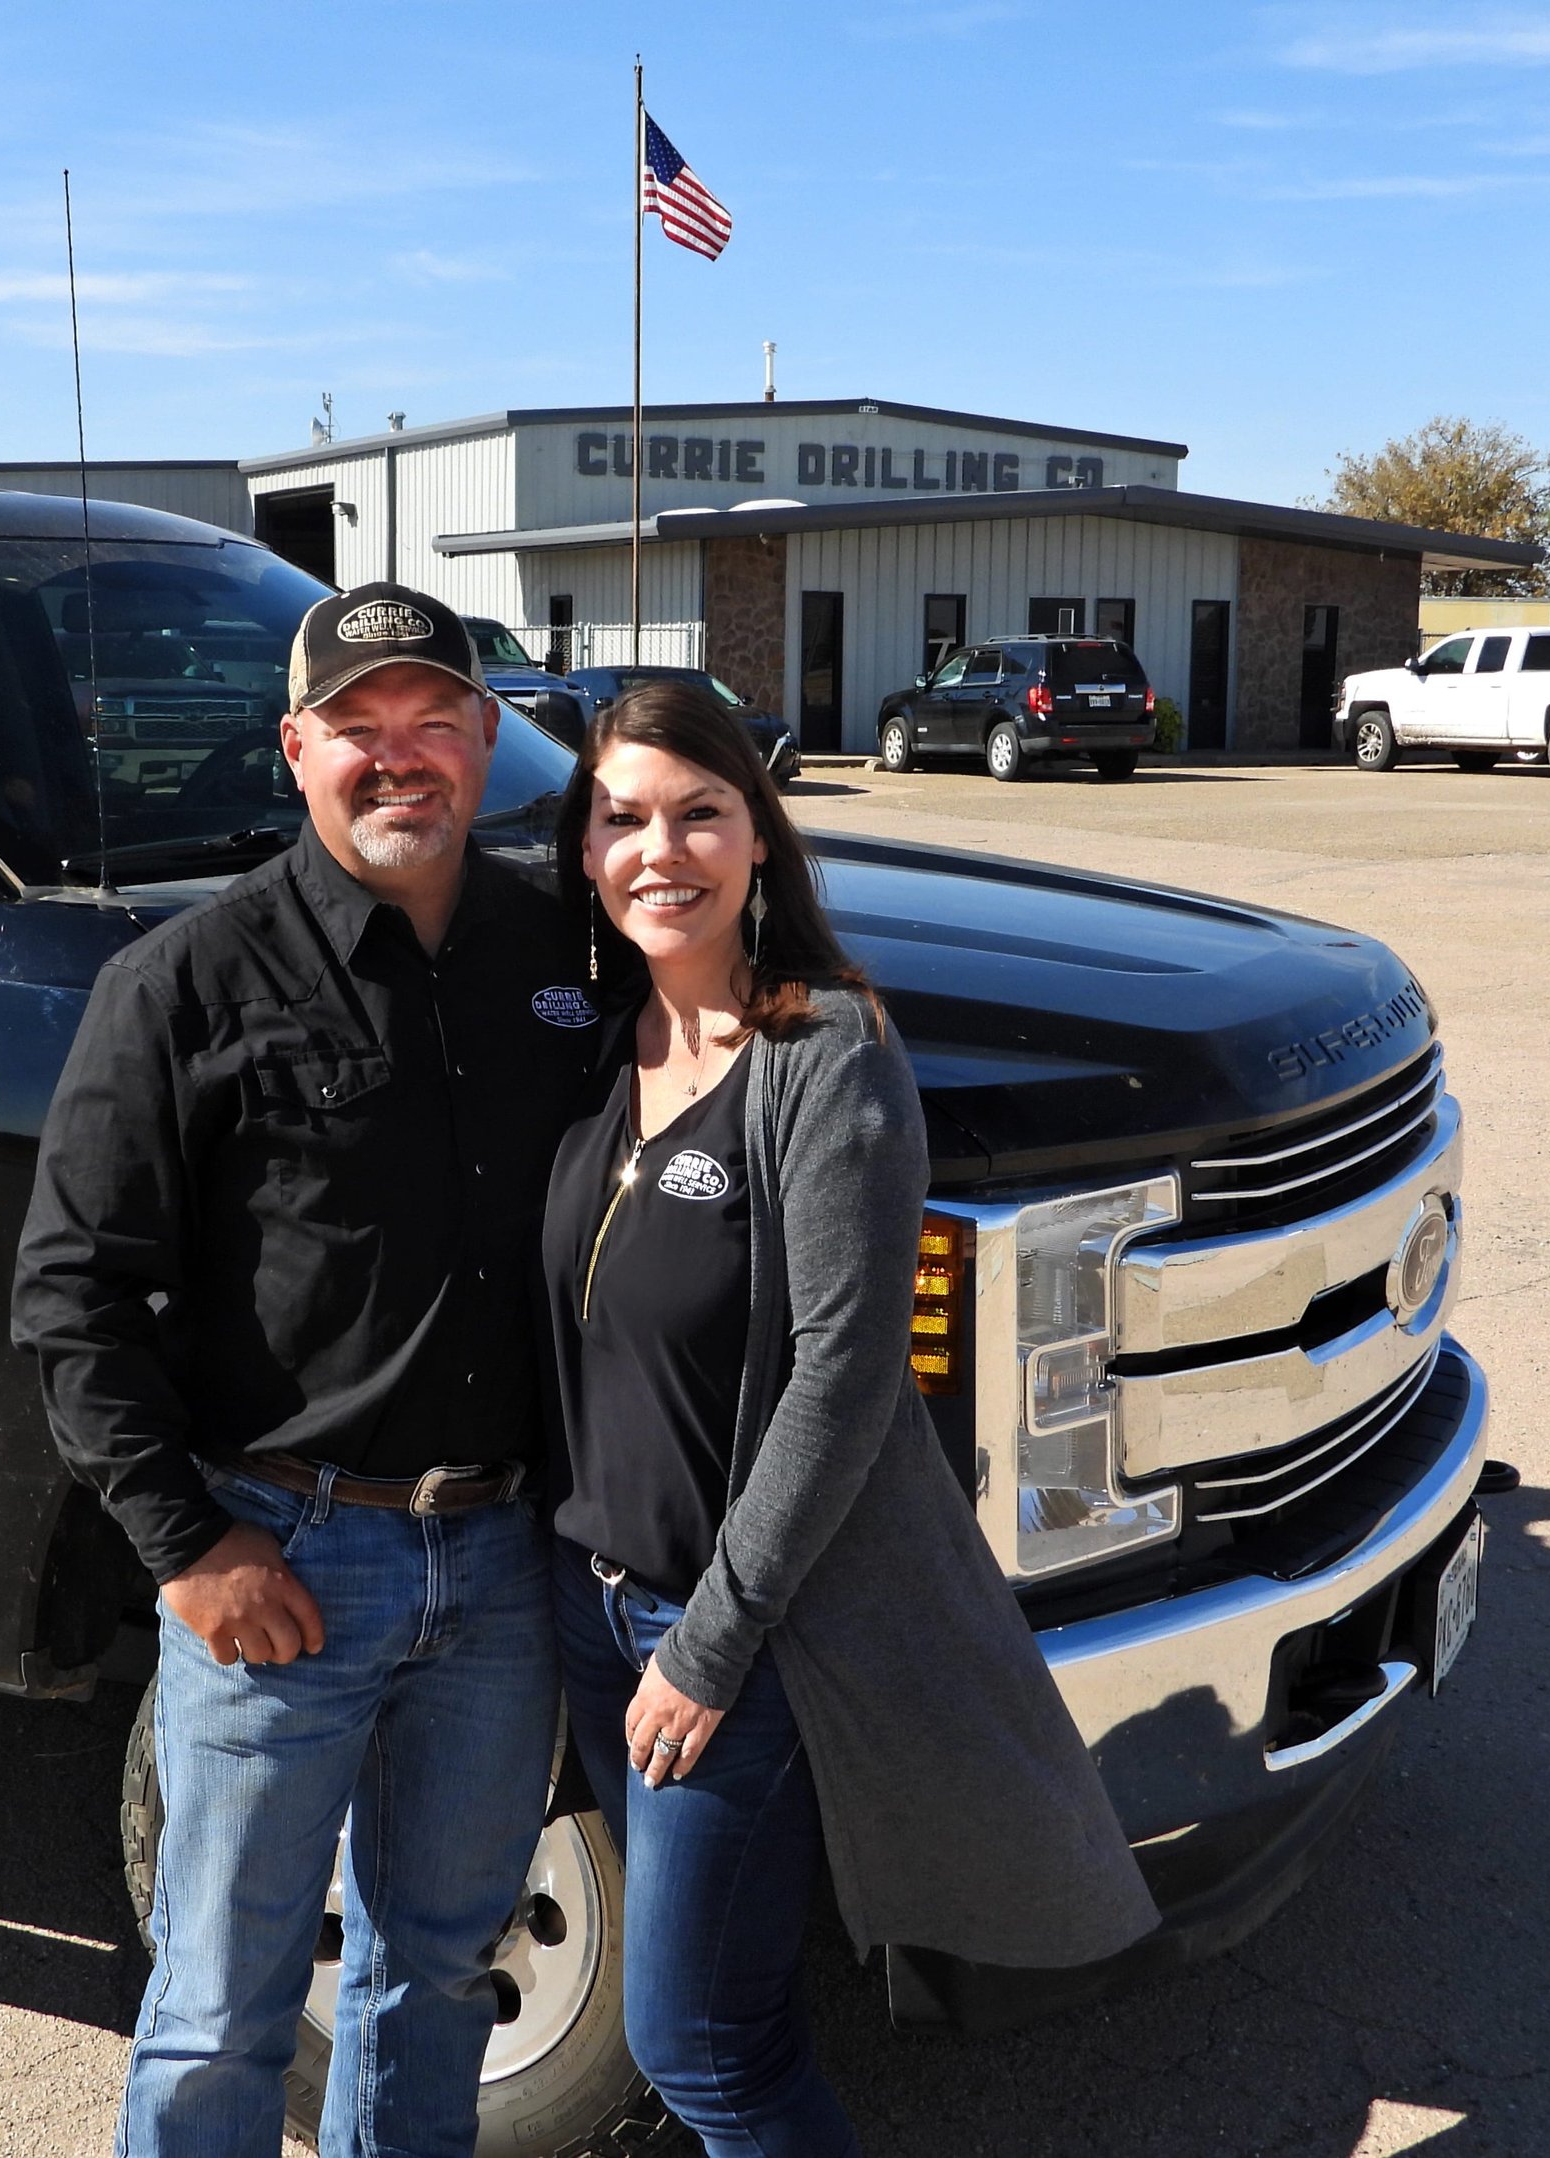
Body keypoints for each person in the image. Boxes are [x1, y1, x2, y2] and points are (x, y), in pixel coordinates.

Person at [13, 583, 596, 2158]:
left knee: (430, 1978)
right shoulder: (184, 984)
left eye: (431, 720)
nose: (397, 757)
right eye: (359, 727)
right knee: (220, 2003)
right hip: (285, 1560)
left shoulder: (567, 961)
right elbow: (69, 1297)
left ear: (486, 738)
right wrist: (186, 1547)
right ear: (296, 748)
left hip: (498, 1563)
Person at [541, 679, 1160, 2155]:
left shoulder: (826, 1054)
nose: (661, 849)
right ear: (582, 846)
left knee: (699, 2039)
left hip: (726, 1638)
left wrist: (712, 1638)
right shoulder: (593, 1040)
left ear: (761, 835)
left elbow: (842, 1377)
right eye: (623, 816)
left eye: (701, 811)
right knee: (712, 1998)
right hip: (585, 1602)